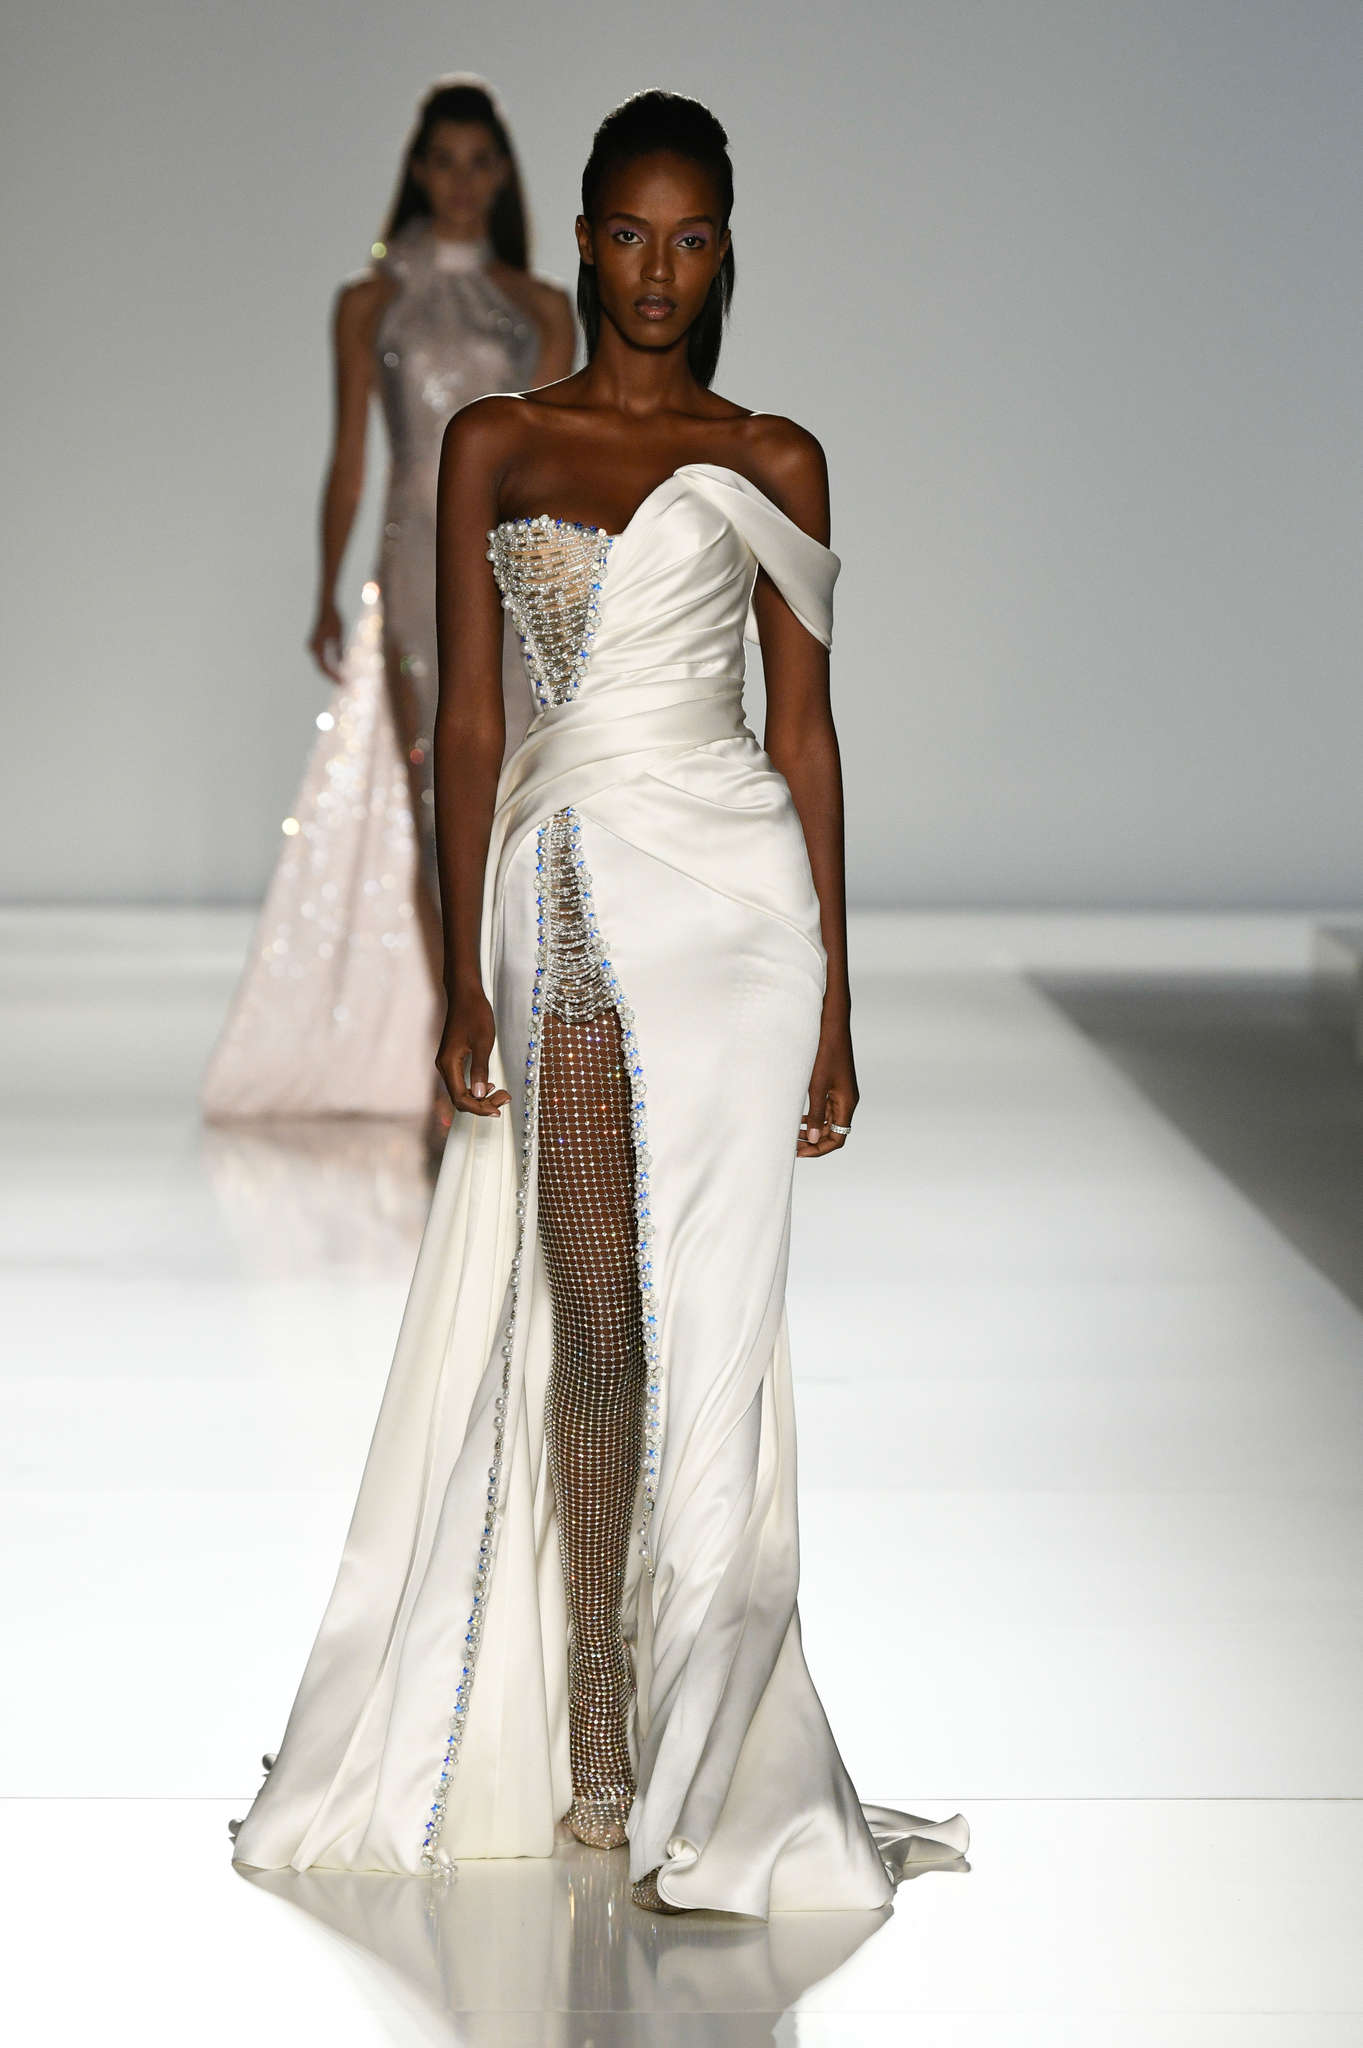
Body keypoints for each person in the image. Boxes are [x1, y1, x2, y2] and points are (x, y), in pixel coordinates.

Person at [230, 89, 968, 1917]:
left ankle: (701, 1746)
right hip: (562, 885)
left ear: (722, 251)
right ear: (578, 241)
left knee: (717, 1330)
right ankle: (598, 1726)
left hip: (742, 912)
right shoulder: (497, 441)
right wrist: (456, 964)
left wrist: (837, 999)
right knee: (596, 1307)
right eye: (627, 234)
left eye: (688, 237)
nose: (655, 270)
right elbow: (470, 719)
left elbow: (805, 736)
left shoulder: (774, 456)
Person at [200, 77, 575, 1125]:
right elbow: (351, 460)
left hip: (514, 567)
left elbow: (555, 463)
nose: (461, 181)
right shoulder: (368, 304)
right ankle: (462, 1040)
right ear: (418, 170)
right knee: (435, 802)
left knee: (516, 797)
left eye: (479, 162)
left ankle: (514, 1030)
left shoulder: (544, 311)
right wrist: (328, 587)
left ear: (502, 175)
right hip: (413, 569)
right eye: (444, 160)